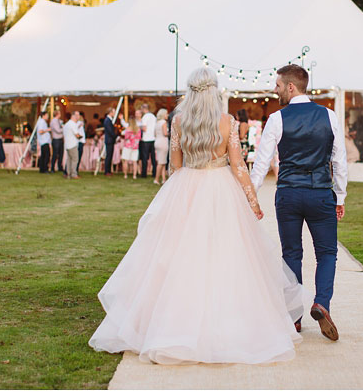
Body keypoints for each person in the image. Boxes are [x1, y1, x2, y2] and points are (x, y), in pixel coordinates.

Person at [89, 68, 302, 363]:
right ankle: (226, 322)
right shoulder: (228, 122)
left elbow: (175, 166)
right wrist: (252, 200)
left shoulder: (178, 122)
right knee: (227, 255)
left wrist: (179, 195)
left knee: (181, 254)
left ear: (189, 92)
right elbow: (239, 166)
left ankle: (175, 320)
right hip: (221, 186)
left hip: (187, 186)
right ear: (214, 92)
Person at [251, 64, 348, 342]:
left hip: (289, 194)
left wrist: (250, 196)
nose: (276, 89)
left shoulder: (277, 119)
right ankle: (321, 304)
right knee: (327, 253)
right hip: (320, 193)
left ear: (291, 87)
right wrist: (339, 197)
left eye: (278, 85)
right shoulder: (329, 116)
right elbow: (339, 161)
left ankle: (294, 319)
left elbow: (261, 164)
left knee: (292, 254)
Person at [63, 111, 86, 179]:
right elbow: (77, 135)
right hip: (72, 144)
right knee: (75, 159)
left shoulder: (67, 124)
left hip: (68, 144)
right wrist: (81, 137)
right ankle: (74, 174)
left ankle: (68, 173)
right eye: (78, 115)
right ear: (74, 116)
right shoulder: (72, 124)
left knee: (69, 159)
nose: (79, 116)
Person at [138, 104, 158, 180]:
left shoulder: (145, 117)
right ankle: (154, 173)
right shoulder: (153, 116)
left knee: (145, 158)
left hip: (146, 139)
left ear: (144, 109)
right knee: (153, 158)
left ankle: (144, 174)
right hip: (153, 138)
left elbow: (144, 128)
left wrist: (139, 127)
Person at [101, 108, 118, 176]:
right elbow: (110, 131)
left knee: (110, 156)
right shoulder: (107, 120)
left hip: (110, 140)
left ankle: (108, 170)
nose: (114, 113)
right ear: (110, 112)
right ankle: (107, 171)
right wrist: (116, 136)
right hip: (109, 140)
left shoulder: (109, 120)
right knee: (108, 156)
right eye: (113, 112)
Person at [155, 110, 170, 183]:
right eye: (166, 114)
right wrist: (171, 133)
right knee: (161, 163)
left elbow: (154, 133)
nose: (167, 115)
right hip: (163, 142)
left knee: (162, 161)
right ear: (163, 114)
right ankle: (156, 179)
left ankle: (164, 179)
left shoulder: (157, 122)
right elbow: (165, 133)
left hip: (157, 141)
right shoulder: (164, 122)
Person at [50, 111, 66, 175]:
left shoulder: (60, 121)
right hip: (56, 139)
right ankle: (52, 167)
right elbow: (58, 130)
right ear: (57, 114)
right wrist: (64, 129)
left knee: (61, 154)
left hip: (60, 139)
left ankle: (60, 166)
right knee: (55, 154)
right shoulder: (53, 121)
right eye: (59, 113)